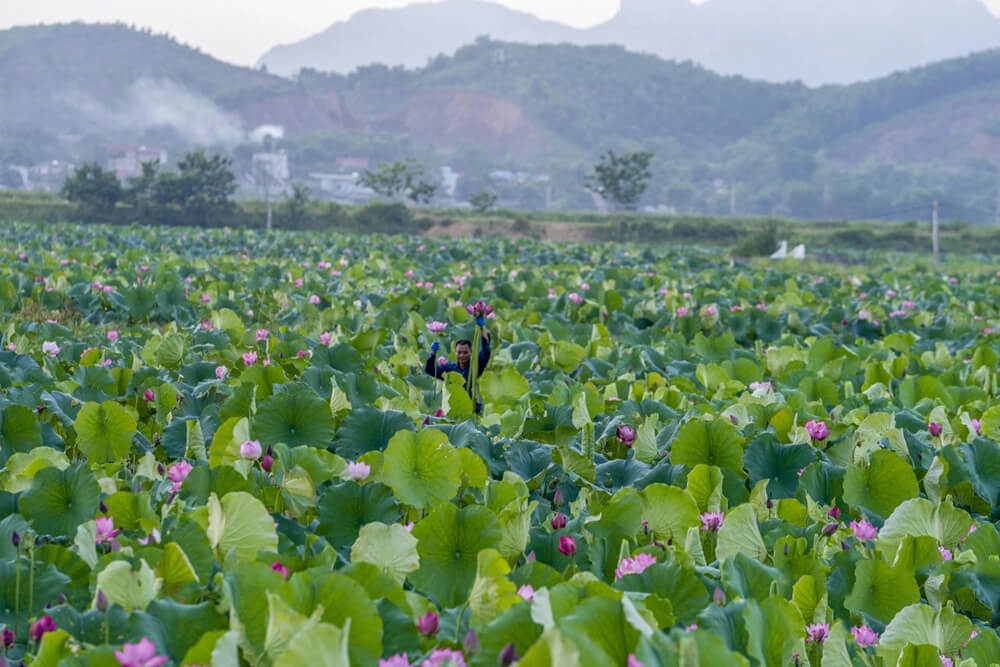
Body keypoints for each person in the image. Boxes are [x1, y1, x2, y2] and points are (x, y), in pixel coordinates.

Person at [425, 316, 492, 411]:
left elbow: (486, 350)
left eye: (465, 352)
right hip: (454, 407)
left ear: (471, 352)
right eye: (459, 352)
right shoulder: (449, 369)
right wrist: (433, 353)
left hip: (473, 408)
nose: (462, 355)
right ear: (455, 353)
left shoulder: (476, 366)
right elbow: (430, 370)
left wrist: (482, 327)